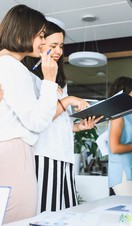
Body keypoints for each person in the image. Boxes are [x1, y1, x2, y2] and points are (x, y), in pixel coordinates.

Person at [22, 20, 102, 213]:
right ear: (39, 44)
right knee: (46, 215)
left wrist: (76, 127)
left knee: (64, 213)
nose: (58, 50)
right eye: (53, 45)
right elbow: (38, 120)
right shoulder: (29, 77)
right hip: (44, 155)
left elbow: (56, 122)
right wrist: (67, 101)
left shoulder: (57, 80)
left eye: (61, 46)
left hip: (63, 155)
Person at [0, 4, 58, 223]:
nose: (43, 42)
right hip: (14, 153)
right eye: (41, 35)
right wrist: (50, 79)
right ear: (24, 31)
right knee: (18, 224)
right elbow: (37, 121)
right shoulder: (12, 67)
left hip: (6, 150)